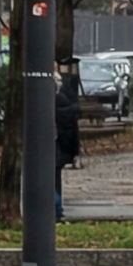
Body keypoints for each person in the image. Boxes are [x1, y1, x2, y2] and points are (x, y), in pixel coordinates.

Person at [53, 56, 82, 221]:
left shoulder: (50, 93)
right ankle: (57, 208)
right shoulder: (65, 91)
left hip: (53, 142)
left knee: (48, 177)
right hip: (63, 144)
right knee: (54, 176)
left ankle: (56, 208)